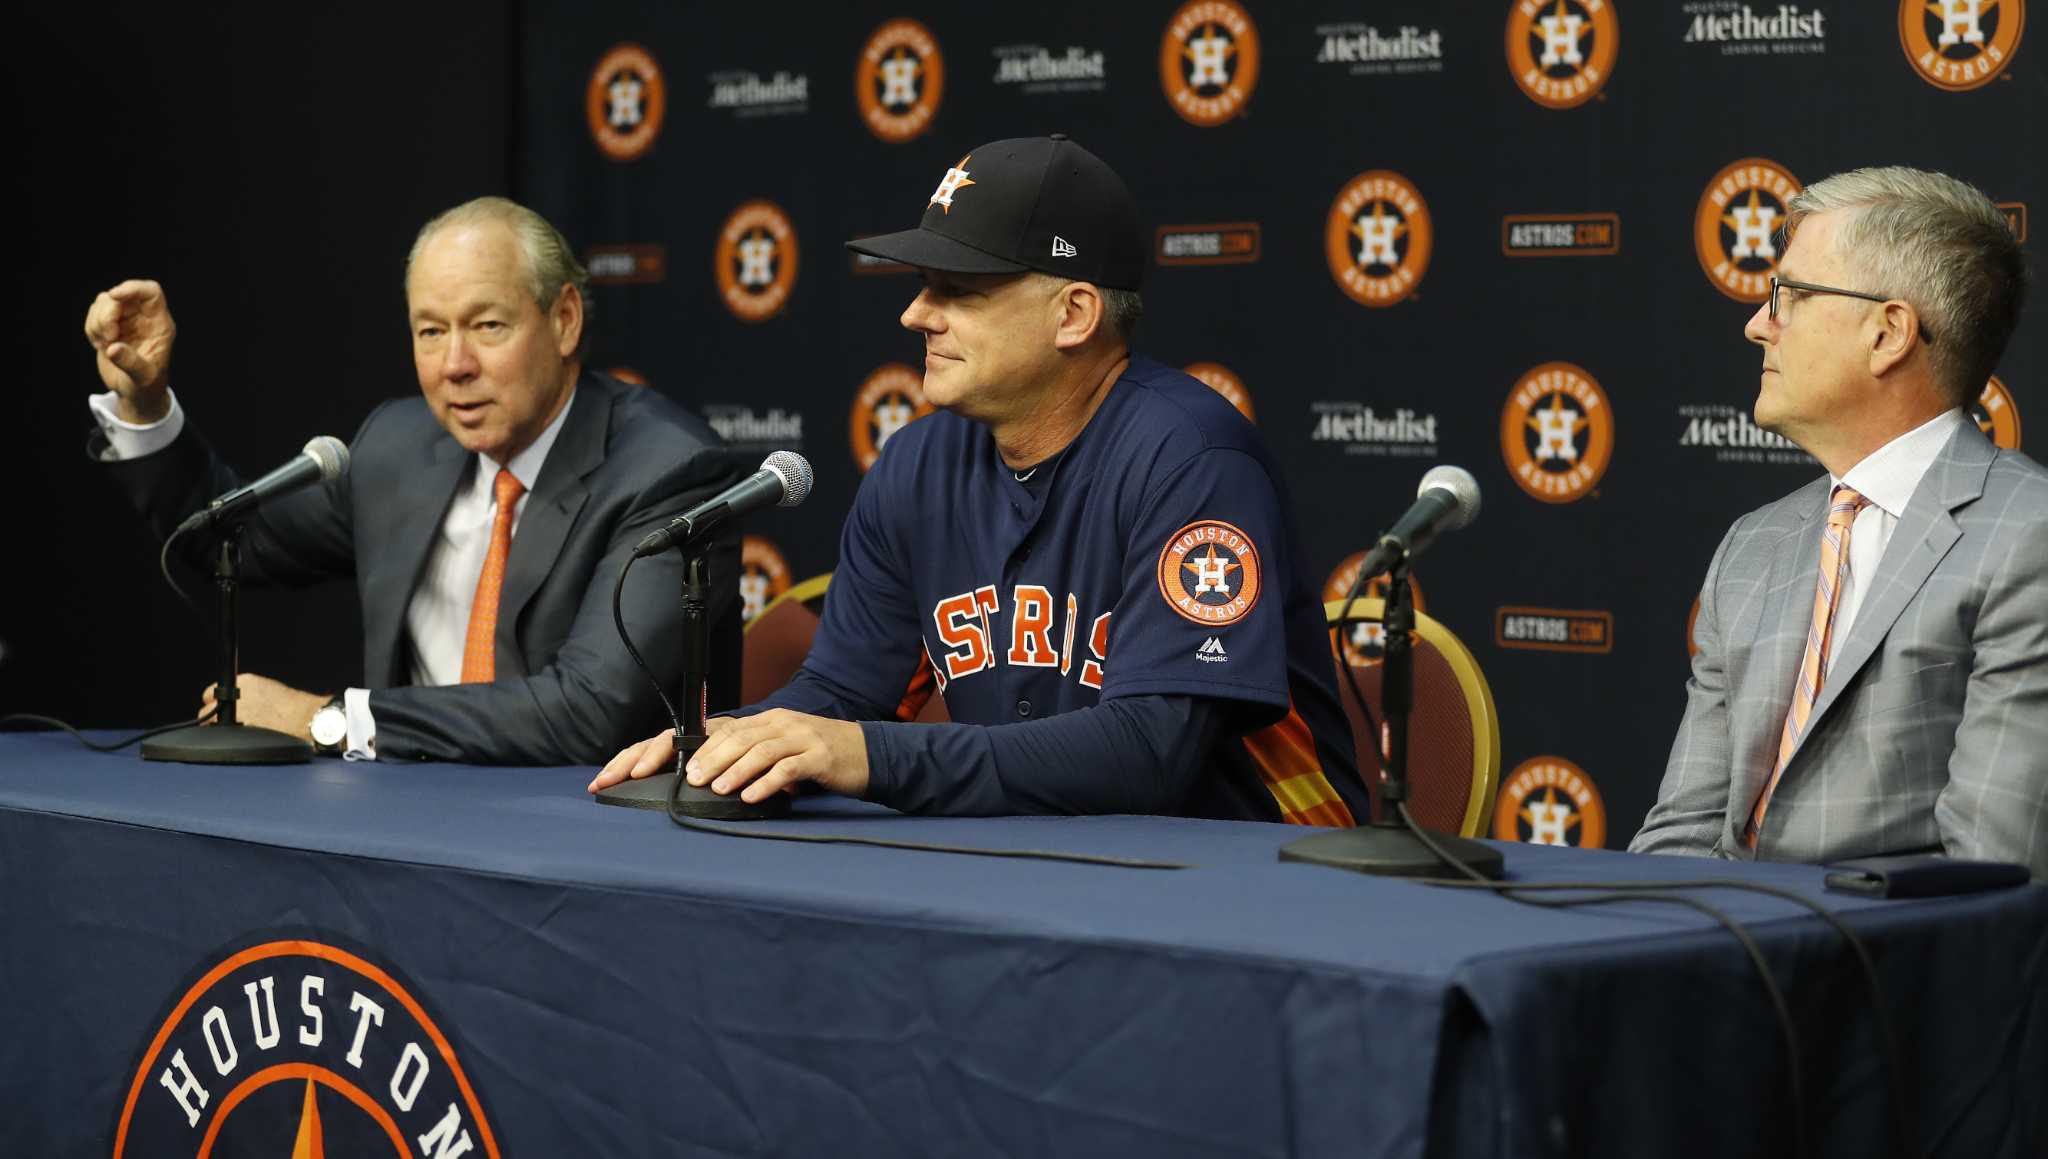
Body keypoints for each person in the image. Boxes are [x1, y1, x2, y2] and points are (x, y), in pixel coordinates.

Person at [592, 135, 1368, 824]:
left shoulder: (1194, 461)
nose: (915, 314)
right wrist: (723, 746)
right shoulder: (917, 465)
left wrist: (868, 757)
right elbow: (842, 693)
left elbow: (1152, 751)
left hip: (1255, 872)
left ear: (1074, 314)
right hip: (1049, 864)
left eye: (957, 291)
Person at [85, 197, 742, 765]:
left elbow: (590, 710)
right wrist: (146, 404)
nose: (454, 365)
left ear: (564, 319)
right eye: (431, 331)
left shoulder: (667, 469)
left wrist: (332, 718)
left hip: (584, 843)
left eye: (487, 326)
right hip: (400, 822)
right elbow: (229, 539)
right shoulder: (397, 448)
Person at [1632, 166, 2045, 877]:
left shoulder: (2028, 535)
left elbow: (1988, 879)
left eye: (1788, 295)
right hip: (1714, 961)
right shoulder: (1753, 545)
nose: (1757, 323)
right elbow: (1681, 835)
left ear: (1888, 333)